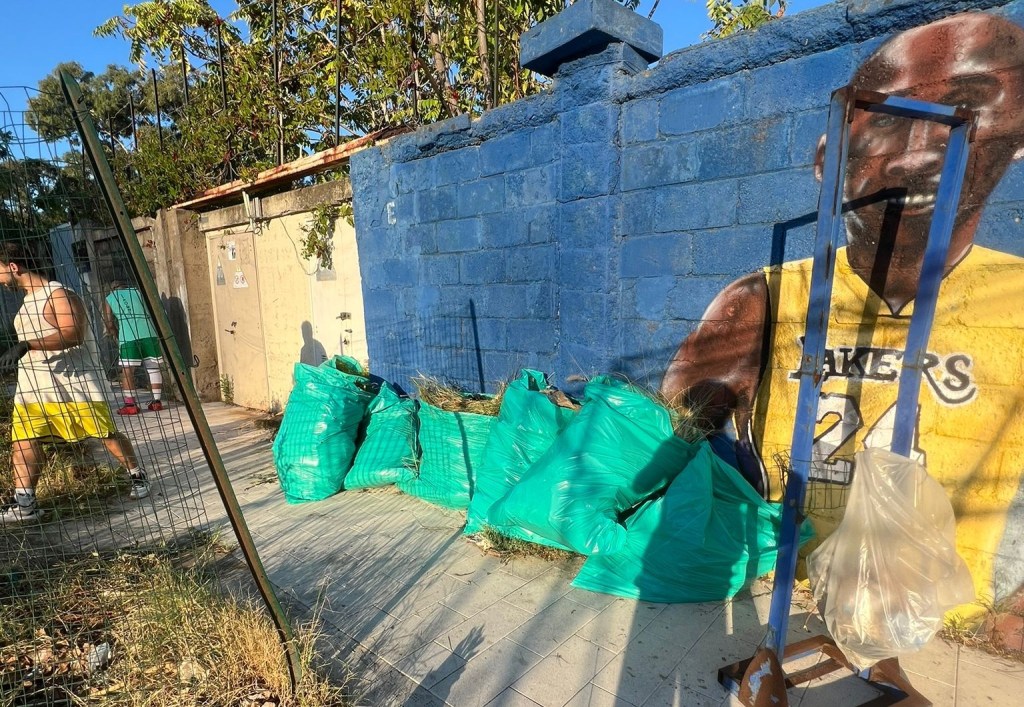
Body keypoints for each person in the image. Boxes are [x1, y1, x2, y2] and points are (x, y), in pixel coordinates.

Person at [660, 12, 1024, 613]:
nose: (915, 158)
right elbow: (673, 442)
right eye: (882, 124)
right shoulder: (763, 300)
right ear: (828, 160)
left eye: (967, 106)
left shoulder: (1009, 295)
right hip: (797, 581)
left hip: (935, 607)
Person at [0, 242, 150, 524]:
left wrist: (27, 345)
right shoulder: (28, 300)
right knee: (23, 440)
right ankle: (26, 504)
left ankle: (137, 474)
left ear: (13, 267)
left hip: (74, 386)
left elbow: (74, 333)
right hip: (35, 388)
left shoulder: (59, 294)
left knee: (105, 435)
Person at [103, 281, 164, 414]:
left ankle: (130, 405)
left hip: (128, 336)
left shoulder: (110, 298)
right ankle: (157, 402)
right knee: (153, 368)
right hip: (149, 333)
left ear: (112, 289)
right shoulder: (139, 292)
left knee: (127, 372)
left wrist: (115, 335)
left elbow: (109, 322)